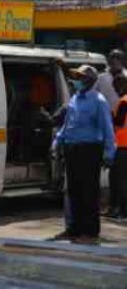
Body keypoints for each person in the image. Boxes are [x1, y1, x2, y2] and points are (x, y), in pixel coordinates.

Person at [55, 65, 116, 243]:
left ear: (89, 80)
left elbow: (107, 129)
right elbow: (68, 123)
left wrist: (109, 152)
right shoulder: (75, 99)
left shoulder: (99, 101)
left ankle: (89, 232)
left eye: (80, 77)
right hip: (72, 148)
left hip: (90, 149)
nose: (77, 80)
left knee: (88, 191)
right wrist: (58, 140)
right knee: (73, 190)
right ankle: (74, 229)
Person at [107, 75, 127, 219]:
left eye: (117, 87)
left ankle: (122, 210)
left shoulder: (124, 101)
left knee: (120, 180)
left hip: (123, 145)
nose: (116, 90)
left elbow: (119, 122)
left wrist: (109, 115)